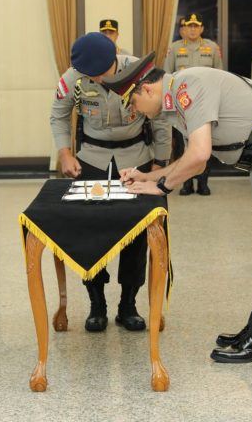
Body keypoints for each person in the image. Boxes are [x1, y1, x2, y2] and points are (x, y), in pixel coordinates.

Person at [104, 62, 252, 363]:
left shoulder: (186, 87)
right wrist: (148, 178)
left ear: (147, 89)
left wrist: (162, 188)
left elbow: (200, 156)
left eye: (133, 102)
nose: (135, 111)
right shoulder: (175, 99)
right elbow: (189, 157)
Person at [49, 33, 171, 332]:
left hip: (137, 158)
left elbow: (161, 118)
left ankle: (128, 304)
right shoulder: (74, 77)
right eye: (92, 75)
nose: (99, 79)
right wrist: (65, 154)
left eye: (103, 72)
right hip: (91, 158)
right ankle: (96, 304)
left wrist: (160, 163)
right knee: (91, 233)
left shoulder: (140, 73)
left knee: (137, 233)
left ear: (115, 57)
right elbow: (58, 115)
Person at [163, 12, 223, 196]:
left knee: (205, 143)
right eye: (189, 25)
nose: (193, 29)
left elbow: (220, 76)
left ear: (202, 29)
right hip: (182, 104)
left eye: (196, 26)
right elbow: (167, 76)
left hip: (205, 103)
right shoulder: (174, 48)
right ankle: (186, 183)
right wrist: (169, 105)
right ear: (183, 29)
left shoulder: (212, 48)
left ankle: (203, 182)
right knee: (183, 144)